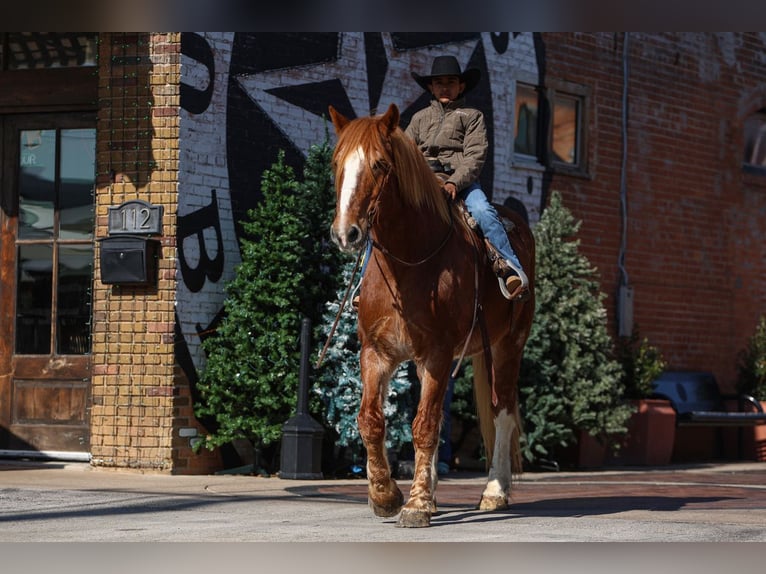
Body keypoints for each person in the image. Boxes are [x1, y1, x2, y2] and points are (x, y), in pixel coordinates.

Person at [405, 55, 528, 300]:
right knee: (384, 211)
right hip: (425, 182)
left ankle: (510, 269)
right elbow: (406, 153)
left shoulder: (472, 116)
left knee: (483, 211)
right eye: (439, 82)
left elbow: (475, 155)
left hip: (460, 182)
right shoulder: (419, 119)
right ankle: (366, 278)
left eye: (451, 82)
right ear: (431, 86)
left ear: (461, 86)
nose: (445, 87)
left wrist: (454, 182)